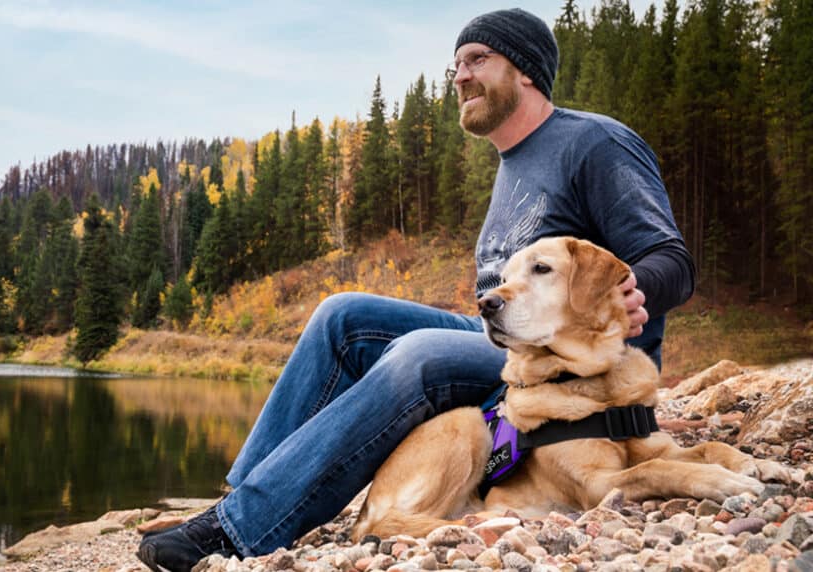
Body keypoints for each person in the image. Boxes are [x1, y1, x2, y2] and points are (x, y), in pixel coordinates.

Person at [138, 8, 695, 571]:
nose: (459, 76)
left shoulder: (594, 143)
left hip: (582, 370)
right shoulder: (513, 165)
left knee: (421, 356)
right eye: (455, 64)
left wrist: (626, 292)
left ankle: (242, 530)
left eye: (478, 59)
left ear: (526, 70)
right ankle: (239, 499)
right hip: (512, 352)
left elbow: (671, 259)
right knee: (342, 315)